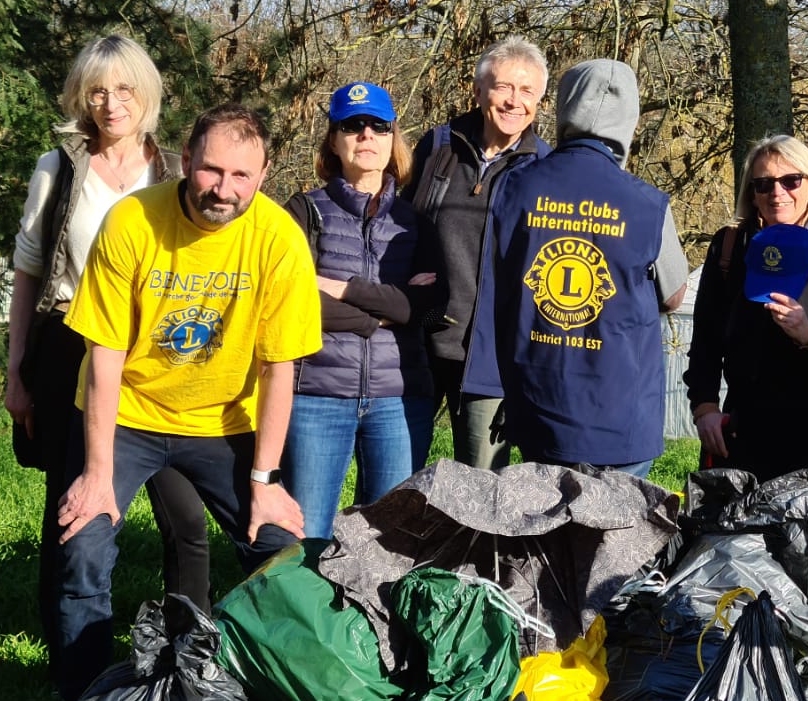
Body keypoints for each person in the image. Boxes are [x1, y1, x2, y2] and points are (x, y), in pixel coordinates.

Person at [52, 103, 322, 701]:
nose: (222, 190)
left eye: (240, 177)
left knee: (278, 549)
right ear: (185, 160)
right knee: (85, 544)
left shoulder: (279, 239)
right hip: (126, 415)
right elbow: (103, 356)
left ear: (265, 173)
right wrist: (97, 474)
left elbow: (281, 368)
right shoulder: (132, 223)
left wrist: (266, 478)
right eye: (210, 171)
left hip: (222, 423)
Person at [4, 34, 202, 699]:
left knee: (185, 513)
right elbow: (28, 271)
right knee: (70, 509)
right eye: (97, 90)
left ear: (145, 94)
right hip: (69, 345)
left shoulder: (175, 170)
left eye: (123, 89)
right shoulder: (58, 168)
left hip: (156, 356)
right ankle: (69, 673)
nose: (111, 103)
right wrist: (15, 371)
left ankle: (188, 664)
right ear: (80, 97)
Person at [461, 58, 689, 475]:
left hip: (537, 410)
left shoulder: (515, 186)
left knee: (549, 538)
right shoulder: (647, 204)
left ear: (564, 107)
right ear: (629, 119)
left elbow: (499, 274)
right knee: (616, 539)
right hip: (621, 420)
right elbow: (675, 296)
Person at [281, 82, 435, 534]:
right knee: (306, 534)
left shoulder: (415, 223)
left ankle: (366, 610)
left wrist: (340, 288)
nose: (366, 135)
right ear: (334, 139)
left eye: (378, 126)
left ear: (393, 139)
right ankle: (302, 608)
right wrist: (383, 313)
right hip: (316, 395)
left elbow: (426, 306)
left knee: (388, 539)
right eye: (352, 125)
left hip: (399, 399)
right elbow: (292, 299)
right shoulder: (304, 212)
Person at [684, 134, 808, 488]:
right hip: (743, 437)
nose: (777, 192)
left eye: (791, 180)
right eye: (764, 183)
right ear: (752, 194)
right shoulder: (728, 250)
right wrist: (705, 408)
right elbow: (706, 337)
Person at [409, 38, 548, 469]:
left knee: (484, 485)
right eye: (503, 87)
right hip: (420, 343)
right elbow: (401, 225)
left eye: (527, 92)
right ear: (478, 90)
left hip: (493, 356)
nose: (514, 102)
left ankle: (478, 543)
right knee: (397, 480)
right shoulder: (437, 147)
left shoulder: (545, 168)